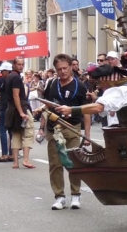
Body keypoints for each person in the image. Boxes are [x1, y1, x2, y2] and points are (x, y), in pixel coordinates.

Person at [55, 64, 127, 228]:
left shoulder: (121, 90)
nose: (99, 86)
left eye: (100, 82)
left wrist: (72, 109)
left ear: (107, 80)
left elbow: (100, 107)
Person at [38, 54, 91, 210]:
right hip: (54, 129)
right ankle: (59, 196)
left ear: (71, 67)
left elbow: (86, 111)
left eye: (65, 68)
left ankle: (75, 195)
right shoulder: (51, 84)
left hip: (73, 127)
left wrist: (87, 135)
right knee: (55, 164)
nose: (62, 72)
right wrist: (41, 128)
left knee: (73, 162)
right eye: (59, 69)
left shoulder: (80, 86)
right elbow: (46, 107)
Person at [6, 57, 36, 169]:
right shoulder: (16, 78)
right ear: (13, 65)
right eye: (18, 64)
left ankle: (15, 162)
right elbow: (16, 95)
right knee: (27, 133)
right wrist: (21, 112)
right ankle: (26, 160)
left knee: (16, 134)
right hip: (20, 108)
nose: (21, 66)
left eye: (22, 64)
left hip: (12, 108)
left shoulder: (9, 76)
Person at [0, 62, 13, 162]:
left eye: (2, 71)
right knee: (11, 131)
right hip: (12, 107)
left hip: (4, 106)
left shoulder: (1, 79)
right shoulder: (15, 79)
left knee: (2, 130)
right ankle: (12, 153)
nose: (1, 72)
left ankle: (4, 154)